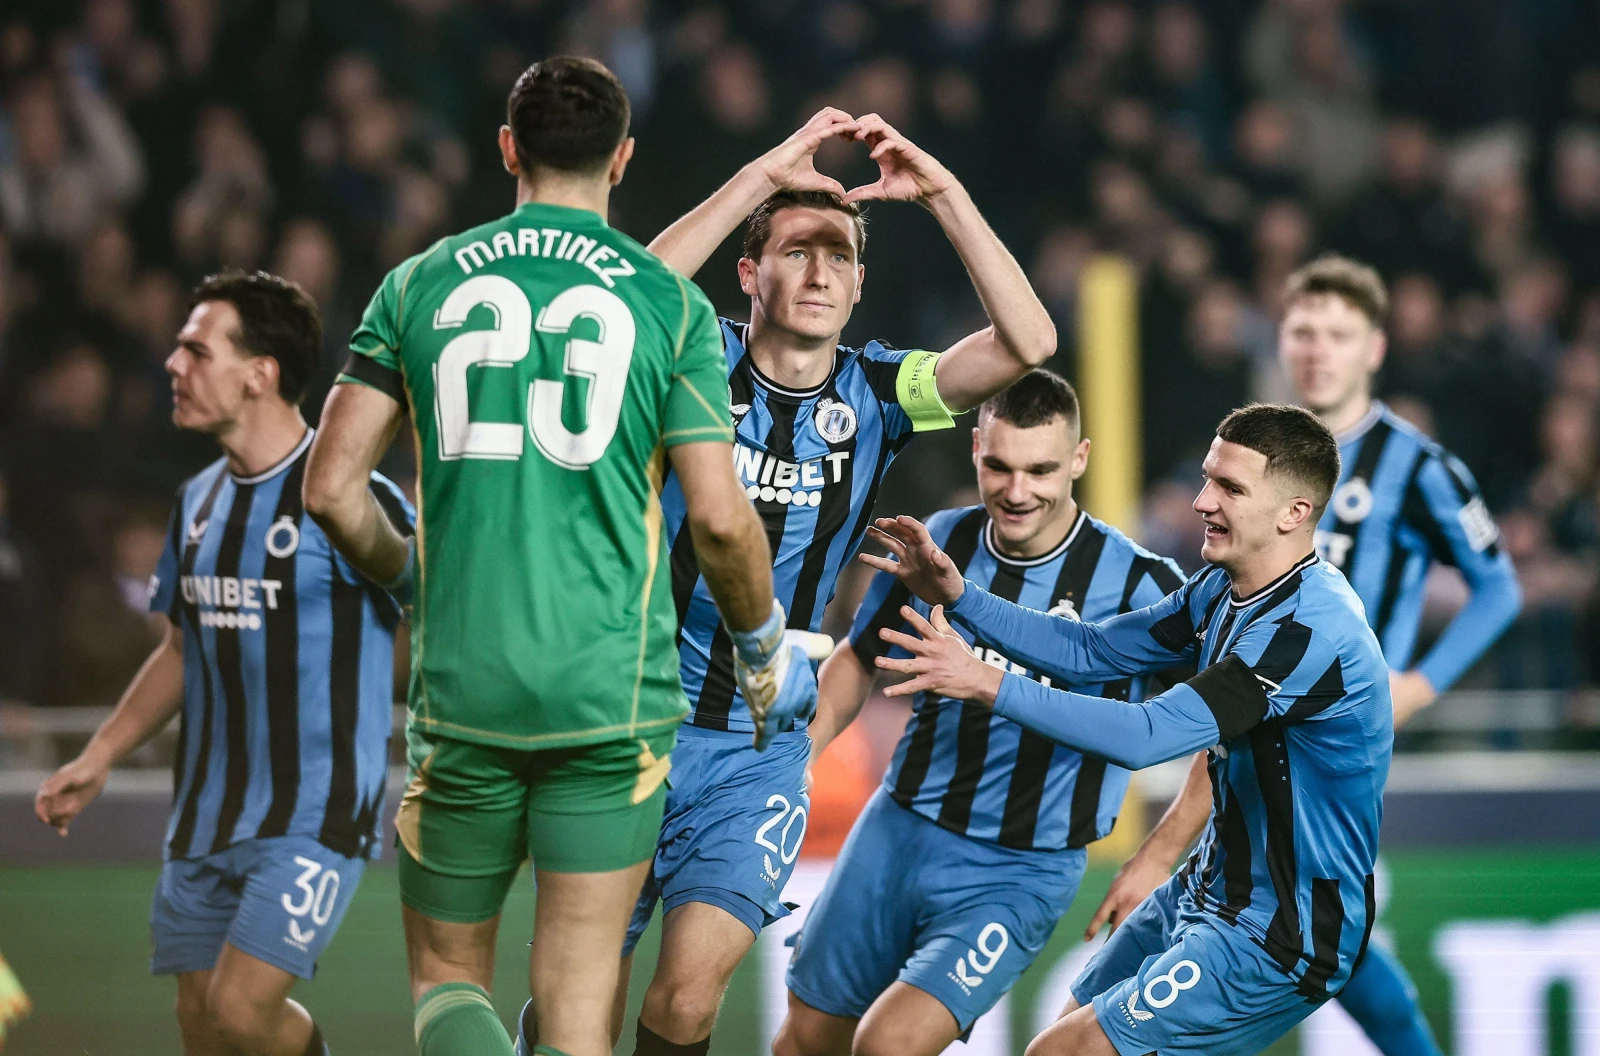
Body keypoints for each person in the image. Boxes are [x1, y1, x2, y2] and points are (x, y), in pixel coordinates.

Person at [301, 58, 808, 1056]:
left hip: (466, 690)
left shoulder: (419, 284)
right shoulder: (666, 305)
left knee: (448, 980)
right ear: (621, 159)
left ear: (507, 149)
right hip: (610, 700)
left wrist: (407, 576)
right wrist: (761, 651)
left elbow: (328, 488)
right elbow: (720, 519)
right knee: (578, 1001)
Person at [608, 108, 1058, 1056]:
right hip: (625, 715)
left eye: (838, 257)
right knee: (580, 997)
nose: (819, 273)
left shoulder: (881, 393)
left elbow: (1027, 343)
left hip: (756, 746)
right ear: (748, 274)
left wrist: (943, 195)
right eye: (795, 250)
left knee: (687, 1002)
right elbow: (626, 295)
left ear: (859, 285)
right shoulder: (693, 354)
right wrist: (760, 176)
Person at [1083, 255, 1523, 1056]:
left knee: (1303, 925)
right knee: (1299, 926)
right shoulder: (1248, 455)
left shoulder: (1416, 466)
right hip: (1254, 707)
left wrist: (1420, 683)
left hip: (1332, 733)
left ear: (1375, 349)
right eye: (1303, 332)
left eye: (1338, 335)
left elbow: (1498, 588)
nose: (1317, 350)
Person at [867, 404, 1392, 1056]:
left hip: (1281, 933)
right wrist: (961, 597)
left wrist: (983, 680)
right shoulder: (1219, 590)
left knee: (1060, 1054)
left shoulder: (1308, 634)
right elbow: (1092, 650)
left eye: (1230, 488)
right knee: (1058, 1038)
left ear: (1294, 512)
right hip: (1207, 888)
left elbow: (1145, 735)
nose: (1202, 501)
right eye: (1207, 478)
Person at [34, 271, 412, 1056]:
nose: (173, 365)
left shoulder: (354, 496)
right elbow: (181, 647)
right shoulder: (196, 500)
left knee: (241, 1012)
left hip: (314, 814)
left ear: (259, 373)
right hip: (205, 814)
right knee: (203, 1026)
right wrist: (98, 757)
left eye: (196, 350)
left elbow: (438, 614)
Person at [773, 370, 1185, 1056]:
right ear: (975, 450)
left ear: (1079, 459)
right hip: (898, 829)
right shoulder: (942, 540)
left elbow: (1230, 725)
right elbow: (860, 655)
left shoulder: (1145, 586)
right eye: (999, 466)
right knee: (806, 1038)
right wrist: (796, 760)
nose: (1017, 491)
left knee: (887, 1046)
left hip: (1020, 871)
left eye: (1040, 469)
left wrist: (1159, 856)